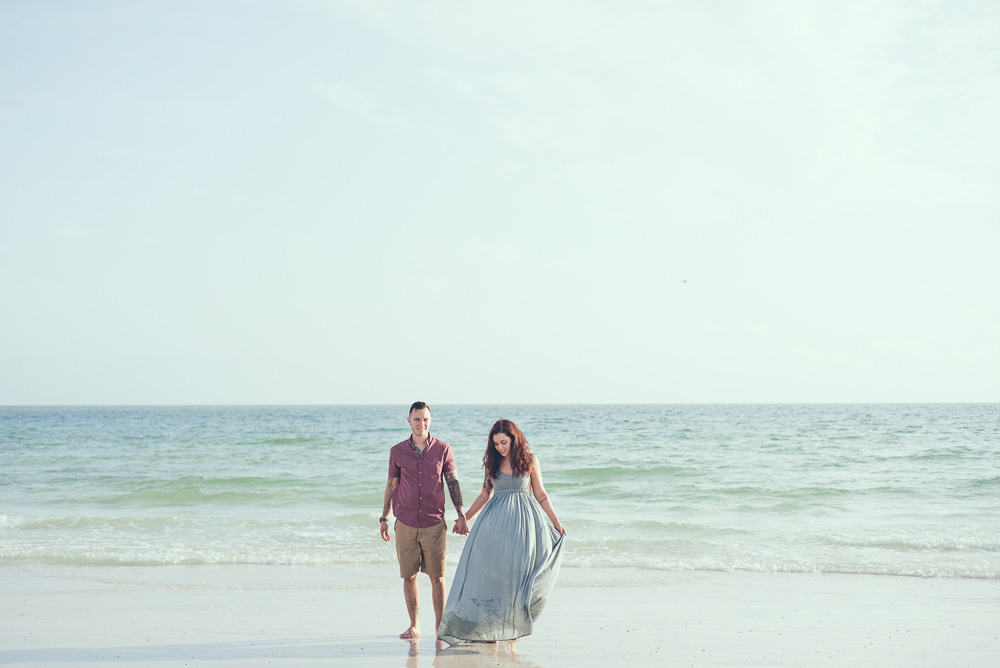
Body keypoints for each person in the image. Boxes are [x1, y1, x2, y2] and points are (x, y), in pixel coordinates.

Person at [437, 418, 566, 643]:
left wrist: (555, 521)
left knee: (517, 575)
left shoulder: (530, 461)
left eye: (504, 442)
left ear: (514, 439)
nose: (500, 447)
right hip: (493, 525)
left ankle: (514, 625)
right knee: (492, 574)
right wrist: (464, 519)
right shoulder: (492, 463)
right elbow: (485, 494)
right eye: (496, 443)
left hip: (524, 526)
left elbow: (541, 494)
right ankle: (491, 630)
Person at [381, 402, 469, 639]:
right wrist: (384, 517)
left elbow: (452, 483)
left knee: (437, 577)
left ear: (431, 421)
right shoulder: (397, 451)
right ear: (409, 420)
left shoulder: (443, 449)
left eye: (426, 419)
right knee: (409, 576)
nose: (422, 424)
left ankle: (440, 627)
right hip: (406, 521)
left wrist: (461, 514)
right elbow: (392, 485)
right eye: (417, 419)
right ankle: (414, 625)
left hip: (433, 523)